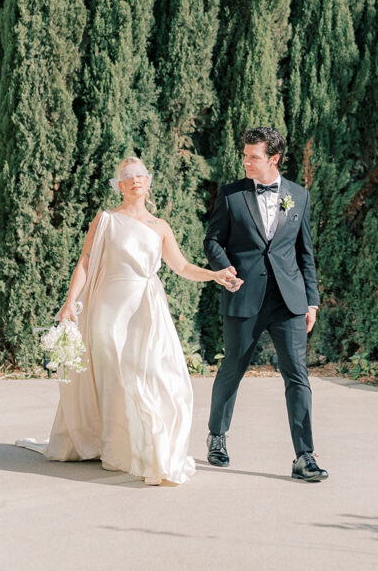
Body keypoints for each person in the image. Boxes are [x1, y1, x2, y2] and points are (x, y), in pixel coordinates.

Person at [42, 157, 240, 485]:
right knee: (117, 375)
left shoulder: (160, 226)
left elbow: (182, 266)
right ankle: (117, 448)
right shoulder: (106, 219)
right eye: (128, 176)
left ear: (149, 183)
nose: (135, 180)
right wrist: (70, 303)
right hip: (109, 307)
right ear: (119, 186)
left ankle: (146, 445)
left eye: (141, 175)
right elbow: (86, 262)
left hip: (147, 306)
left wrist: (214, 275)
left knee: (158, 375)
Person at [204, 126, 328, 482]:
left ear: (273, 159)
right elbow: (212, 240)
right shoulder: (231, 195)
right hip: (244, 295)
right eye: (244, 155)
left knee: (297, 376)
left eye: (253, 156)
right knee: (233, 367)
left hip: (289, 301)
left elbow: (305, 253)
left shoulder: (299, 196)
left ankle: (304, 455)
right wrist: (222, 265)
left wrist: (312, 301)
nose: (246, 161)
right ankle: (217, 436)